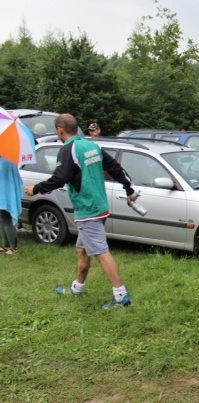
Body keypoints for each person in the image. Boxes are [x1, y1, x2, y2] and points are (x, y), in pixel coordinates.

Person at [24, 114, 136, 309]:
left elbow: (60, 178)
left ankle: (120, 297)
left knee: (101, 252)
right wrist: (128, 189)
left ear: (59, 130)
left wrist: (36, 189)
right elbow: (114, 167)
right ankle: (76, 288)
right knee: (82, 250)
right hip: (99, 206)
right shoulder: (91, 146)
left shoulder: (68, 149)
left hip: (87, 209)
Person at [0, 155, 23, 255]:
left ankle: (13, 247)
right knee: (3, 220)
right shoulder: (10, 161)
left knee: (6, 220)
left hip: (5, 195)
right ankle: (6, 245)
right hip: (6, 194)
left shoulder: (5, 162)